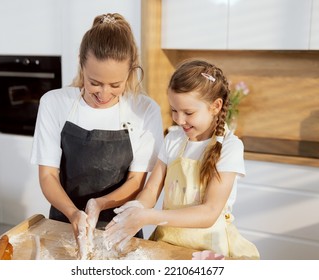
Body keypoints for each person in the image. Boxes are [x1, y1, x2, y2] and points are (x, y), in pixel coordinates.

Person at [30, 13, 164, 248]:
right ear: (81, 63)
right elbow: (48, 176)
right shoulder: (55, 103)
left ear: (131, 71)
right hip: (64, 223)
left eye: (115, 85)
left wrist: (98, 204)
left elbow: (136, 181)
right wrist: (74, 214)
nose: (103, 94)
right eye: (94, 82)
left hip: (123, 229)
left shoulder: (145, 110)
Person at [104, 59, 260, 260]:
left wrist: (149, 217)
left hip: (209, 251)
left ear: (215, 106)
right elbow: (151, 190)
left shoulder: (229, 147)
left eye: (188, 112)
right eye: (174, 110)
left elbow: (209, 213)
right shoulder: (173, 139)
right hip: (168, 244)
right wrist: (136, 208)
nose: (179, 119)